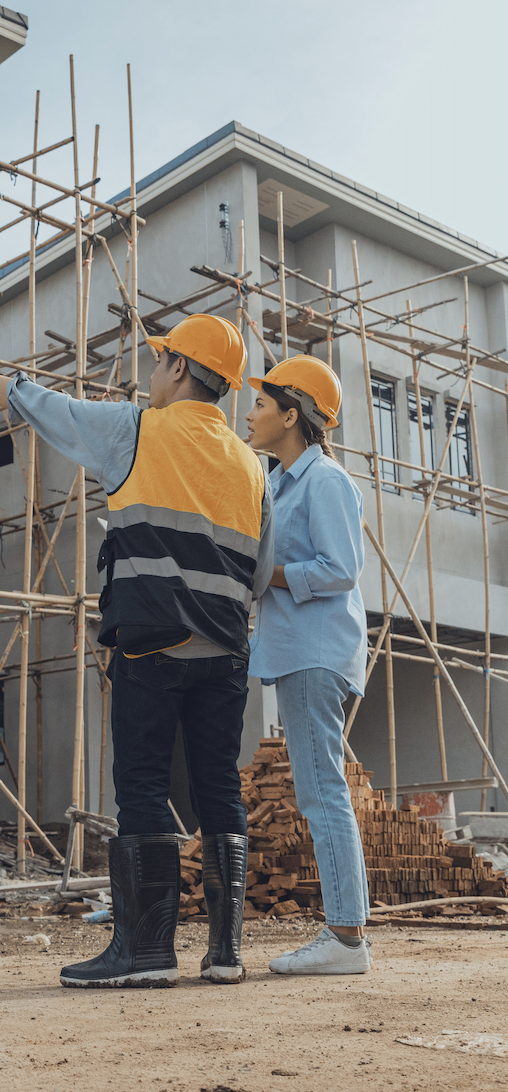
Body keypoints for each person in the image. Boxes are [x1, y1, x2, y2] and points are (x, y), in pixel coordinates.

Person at [0, 314, 273, 988]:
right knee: (218, 788)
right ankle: (225, 953)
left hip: (152, 644)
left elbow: (30, 400)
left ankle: (146, 953)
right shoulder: (252, 467)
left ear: (177, 367)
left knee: (142, 786)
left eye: (159, 360)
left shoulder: (135, 429)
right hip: (227, 652)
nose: (152, 371)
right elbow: (257, 575)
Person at [244, 356, 372, 975]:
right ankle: (346, 934)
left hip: (317, 651)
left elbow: (342, 569)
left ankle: (346, 938)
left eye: (261, 404)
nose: (250, 413)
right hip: (300, 650)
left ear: (291, 415)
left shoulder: (325, 481)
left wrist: (266, 573)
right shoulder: (279, 483)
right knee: (320, 789)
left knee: (322, 791)